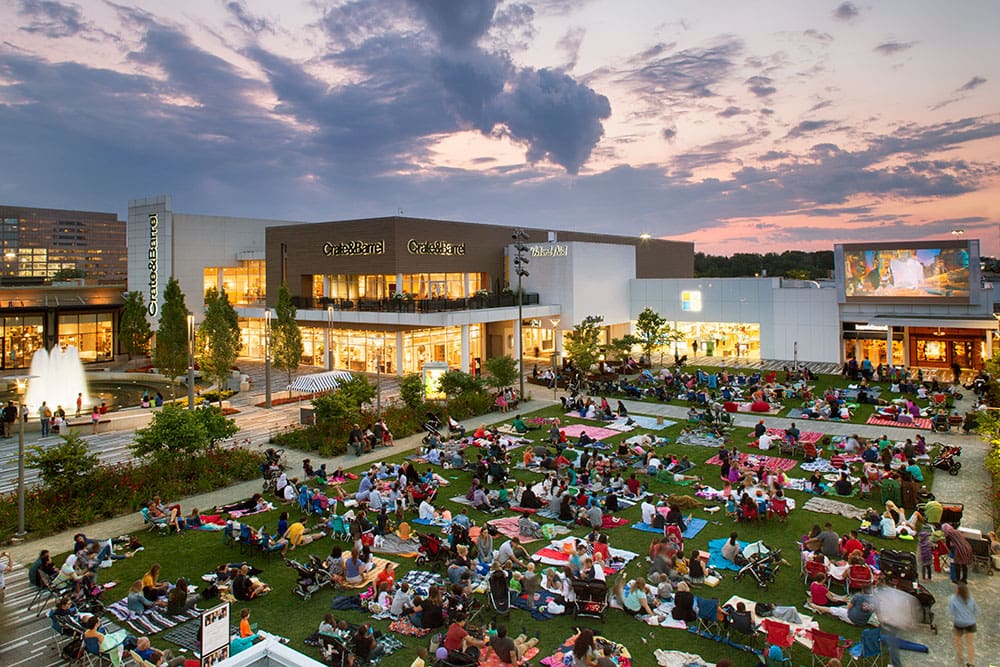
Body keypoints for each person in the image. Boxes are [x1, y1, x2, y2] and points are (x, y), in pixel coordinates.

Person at [949, 583, 979, 667]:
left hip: (959, 624)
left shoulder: (953, 599)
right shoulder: (971, 599)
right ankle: (971, 663)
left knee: (958, 641)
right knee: (970, 644)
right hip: (971, 623)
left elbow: (951, 612)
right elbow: (977, 611)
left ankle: (961, 657)